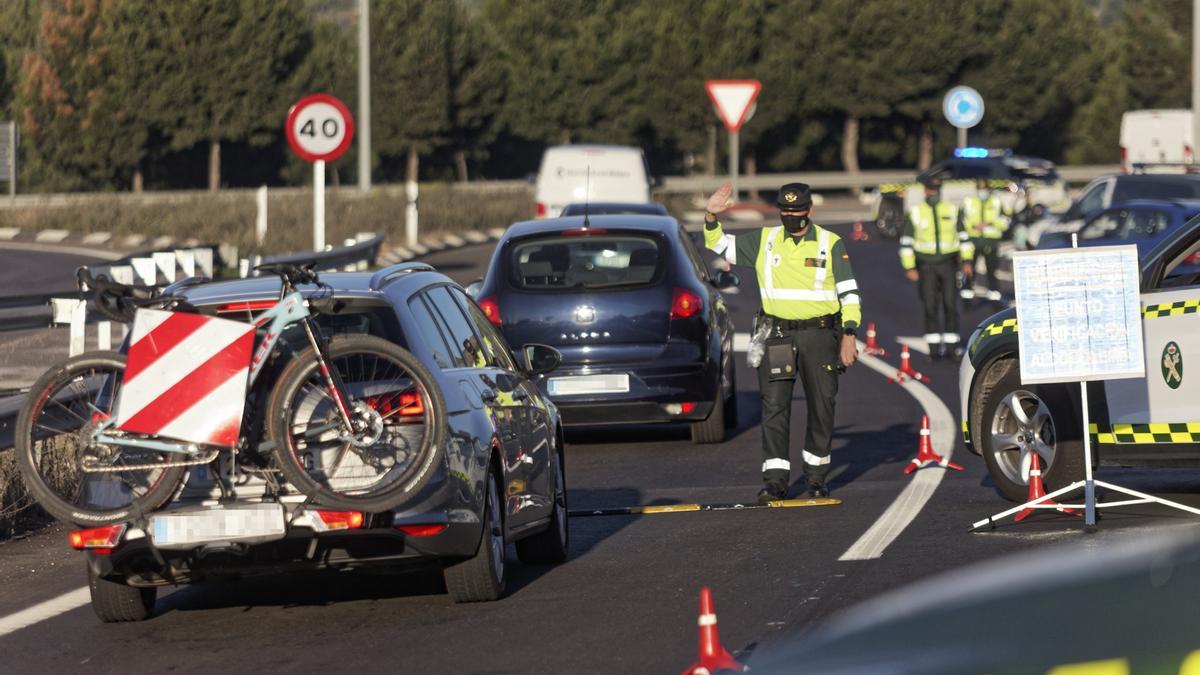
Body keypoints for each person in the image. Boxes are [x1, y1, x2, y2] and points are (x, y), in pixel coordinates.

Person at [703, 182, 861, 503]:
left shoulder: (830, 244)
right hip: (777, 336)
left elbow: (849, 293)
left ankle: (816, 478)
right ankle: (775, 481)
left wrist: (849, 334)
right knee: (774, 408)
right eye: (785, 211)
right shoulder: (766, 240)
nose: (791, 216)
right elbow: (720, 245)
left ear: (809, 211)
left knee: (822, 405)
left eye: (797, 211)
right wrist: (710, 214)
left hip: (820, 336)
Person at [899, 175, 973, 360]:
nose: (934, 194)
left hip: (948, 263)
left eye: (937, 191)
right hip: (926, 265)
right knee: (930, 306)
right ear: (925, 191)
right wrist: (909, 267)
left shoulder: (951, 209)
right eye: (931, 190)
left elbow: (963, 237)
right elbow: (906, 242)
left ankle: (951, 347)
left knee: (950, 304)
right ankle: (933, 349)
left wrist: (967, 261)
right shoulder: (916, 212)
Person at [959, 177, 1009, 302]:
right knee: (969, 268)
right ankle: (967, 292)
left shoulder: (996, 202)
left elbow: (1005, 221)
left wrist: (990, 224)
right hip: (972, 242)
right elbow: (961, 220)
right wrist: (973, 226)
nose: (982, 192)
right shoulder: (968, 201)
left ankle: (994, 294)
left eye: (985, 189)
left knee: (992, 269)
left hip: (990, 242)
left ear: (989, 189)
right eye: (980, 189)